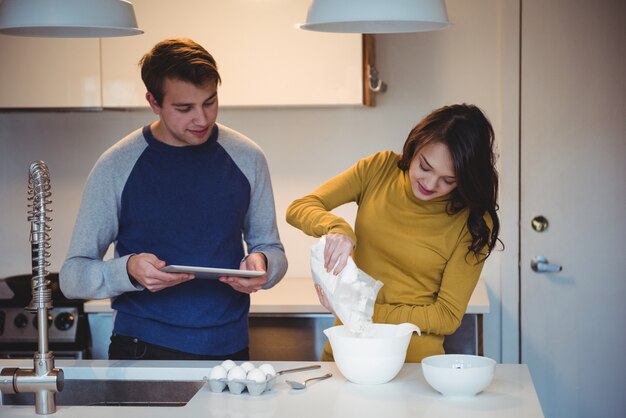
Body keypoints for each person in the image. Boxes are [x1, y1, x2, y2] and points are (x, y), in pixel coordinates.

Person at [60, 38, 287, 361]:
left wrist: (263, 266)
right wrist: (128, 271)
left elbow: (271, 249)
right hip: (141, 349)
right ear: (153, 102)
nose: (202, 119)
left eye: (210, 102)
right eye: (184, 108)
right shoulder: (117, 165)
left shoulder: (247, 157)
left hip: (230, 351)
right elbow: (72, 276)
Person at [286, 104, 500, 362]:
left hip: (412, 365)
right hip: (347, 352)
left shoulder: (474, 223)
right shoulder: (379, 169)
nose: (431, 184)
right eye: (425, 166)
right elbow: (300, 207)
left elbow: (446, 316)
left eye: (449, 180)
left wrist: (359, 311)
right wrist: (339, 229)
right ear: (415, 144)